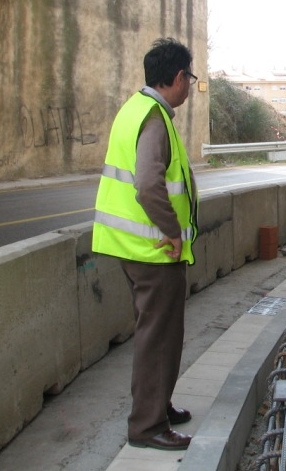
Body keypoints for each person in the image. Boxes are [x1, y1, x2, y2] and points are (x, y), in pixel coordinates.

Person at [92, 37, 199, 451]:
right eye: (189, 77)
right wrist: (172, 232)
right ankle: (148, 426)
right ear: (177, 77)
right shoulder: (154, 117)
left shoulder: (135, 108)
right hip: (153, 250)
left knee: (159, 333)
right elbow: (149, 185)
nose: (190, 84)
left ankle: (159, 405)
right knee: (159, 337)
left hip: (133, 246)